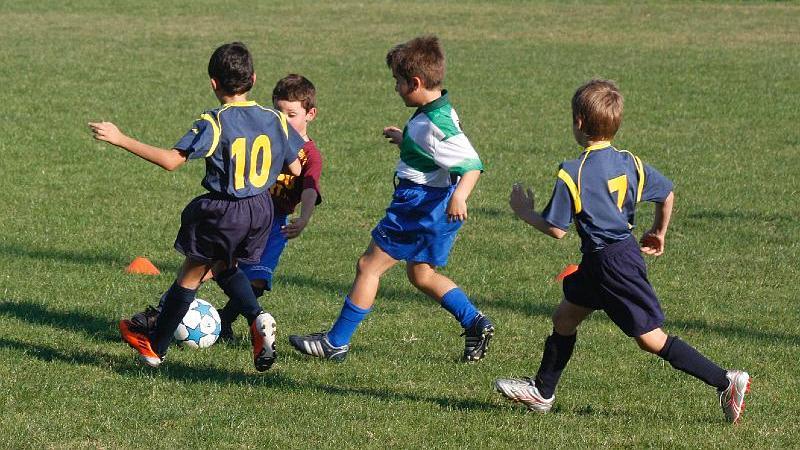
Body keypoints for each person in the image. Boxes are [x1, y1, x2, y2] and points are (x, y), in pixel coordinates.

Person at [494, 79, 749, 423]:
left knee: (651, 339)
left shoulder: (574, 171)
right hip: (610, 256)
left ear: (579, 122)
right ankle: (542, 392)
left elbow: (556, 229)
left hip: (612, 264)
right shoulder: (629, 161)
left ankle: (726, 381)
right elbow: (667, 192)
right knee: (564, 318)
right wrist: (659, 231)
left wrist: (525, 212)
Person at [89, 42, 304, 372]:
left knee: (188, 279)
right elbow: (295, 169)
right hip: (260, 210)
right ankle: (257, 316)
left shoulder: (214, 122)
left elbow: (170, 161)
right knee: (223, 268)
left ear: (213, 84)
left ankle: (155, 348)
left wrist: (120, 138)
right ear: (254, 79)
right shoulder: (274, 118)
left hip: (224, 211)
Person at [289, 35, 494, 363]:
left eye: (398, 82)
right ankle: (475, 322)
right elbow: (437, 152)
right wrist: (407, 141)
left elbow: (472, 163)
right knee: (421, 275)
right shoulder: (435, 112)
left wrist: (462, 196)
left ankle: (336, 342)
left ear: (415, 82)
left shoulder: (434, 124)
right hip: (434, 206)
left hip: (419, 206)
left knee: (369, 266)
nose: (395, 88)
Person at [135, 74, 324, 347]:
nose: (284, 117)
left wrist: (304, 217)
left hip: (274, 223)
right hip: (250, 212)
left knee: (256, 279)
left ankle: (223, 321)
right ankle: (161, 315)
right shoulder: (270, 129)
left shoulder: (309, 153)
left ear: (310, 115)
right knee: (207, 270)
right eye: (279, 111)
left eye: (291, 114)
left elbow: (309, 186)